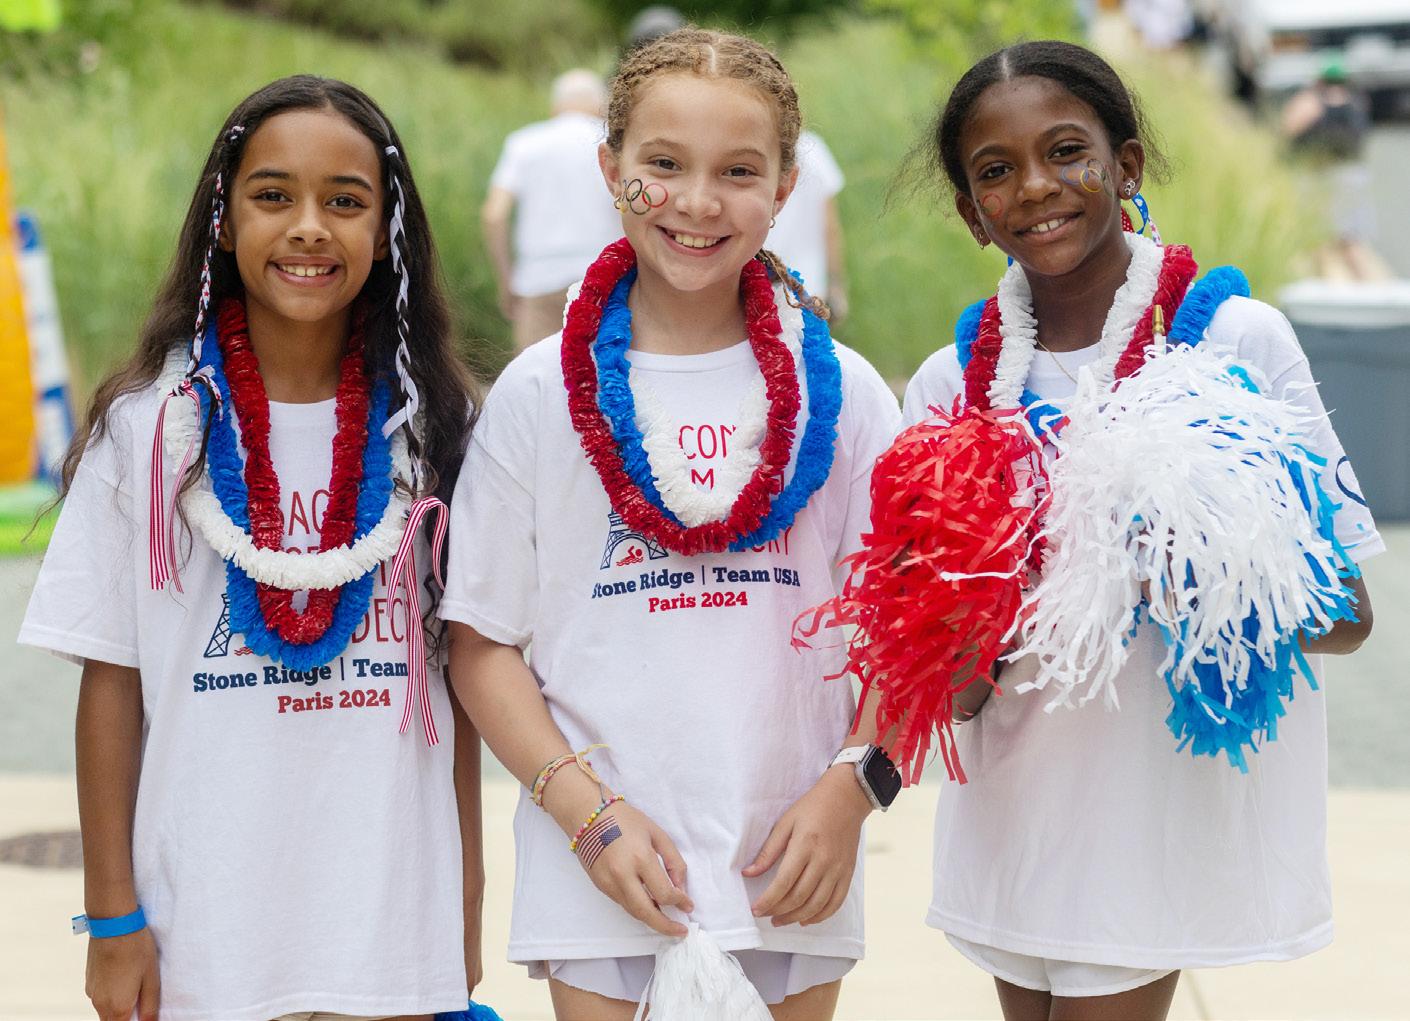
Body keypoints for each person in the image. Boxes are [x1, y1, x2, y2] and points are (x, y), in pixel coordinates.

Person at [901, 41, 1381, 1021]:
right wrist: (973, 597)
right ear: (971, 212)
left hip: (1149, 821)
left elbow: (1346, 613)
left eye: (1066, 151)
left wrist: (1206, 562)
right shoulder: (952, 385)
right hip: (1013, 818)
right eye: (996, 169)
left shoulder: (1233, 342)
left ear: (1126, 165)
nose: (1037, 186)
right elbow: (951, 686)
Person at [441, 28, 902, 1021]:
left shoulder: (846, 393)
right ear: (610, 170)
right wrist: (587, 813)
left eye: (738, 171)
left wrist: (854, 789)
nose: (698, 202)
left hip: (792, 866)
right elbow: (480, 640)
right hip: (602, 869)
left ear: (784, 189)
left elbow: (910, 629)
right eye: (664, 164)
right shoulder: (538, 394)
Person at [19, 76, 481, 1021]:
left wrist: (465, 893)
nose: (308, 227)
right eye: (273, 195)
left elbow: (463, 679)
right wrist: (112, 917)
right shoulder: (151, 431)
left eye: (345, 201)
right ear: (224, 222)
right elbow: (111, 680)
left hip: (389, 921)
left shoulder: (435, 429)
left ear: (387, 229)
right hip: (203, 929)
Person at [483, 68, 621, 352]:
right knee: (604, 372)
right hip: (604, 279)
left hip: (538, 279)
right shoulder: (614, 144)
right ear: (601, 105)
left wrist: (507, 281)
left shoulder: (524, 142)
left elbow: (494, 214)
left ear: (556, 105)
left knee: (536, 375)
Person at [766, 129, 849, 325]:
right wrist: (836, 283)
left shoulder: (761, 148)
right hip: (809, 286)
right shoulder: (815, 151)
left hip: (764, 282)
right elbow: (830, 229)